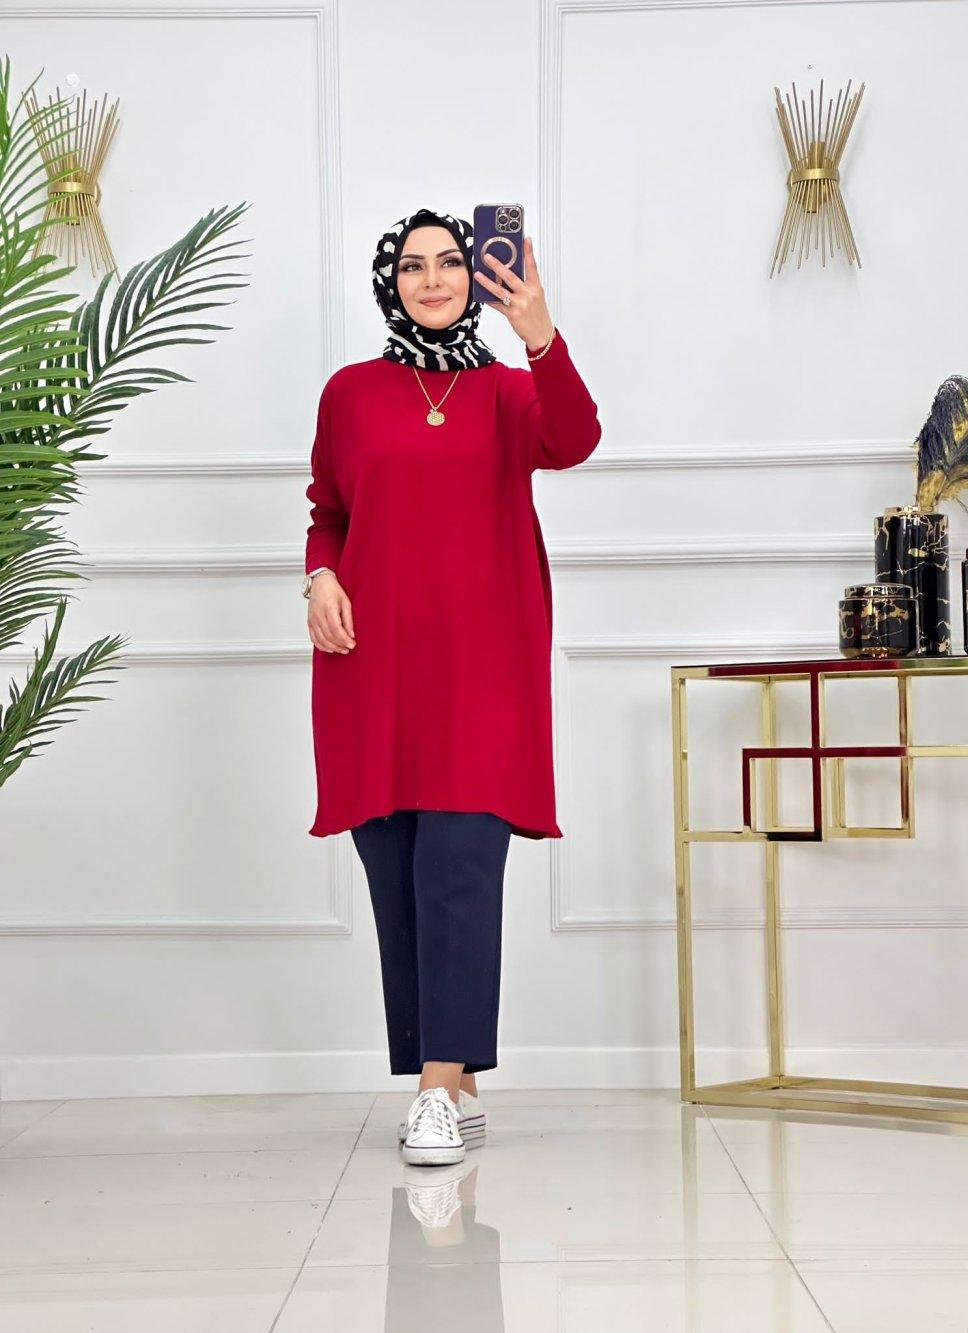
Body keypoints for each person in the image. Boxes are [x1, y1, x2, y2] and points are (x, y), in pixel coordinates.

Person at [302, 207, 601, 1165]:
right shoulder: (350, 393)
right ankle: (457, 1082)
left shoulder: (510, 392)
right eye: (413, 265)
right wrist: (320, 576)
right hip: (374, 661)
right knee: (396, 870)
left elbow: (575, 438)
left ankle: (434, 1089)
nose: (432, 279)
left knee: (460, 863)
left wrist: (540, 334)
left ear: (476, 277)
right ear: (390, 282)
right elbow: (328, 510)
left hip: (484, 665)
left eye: (449, 263)